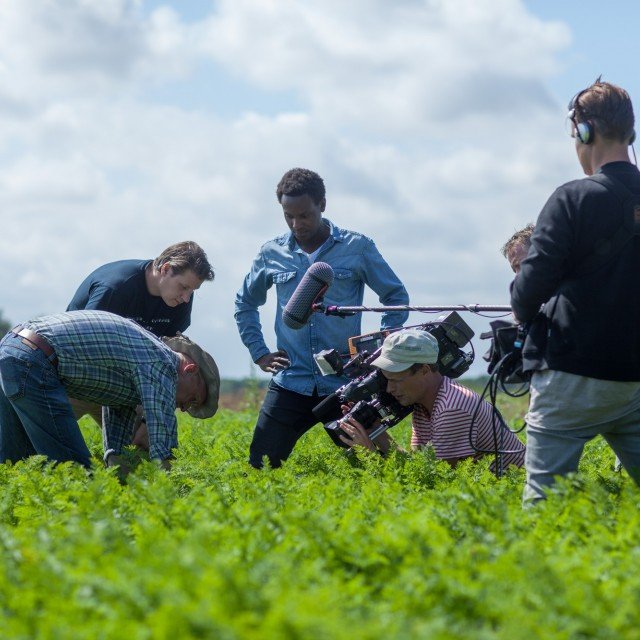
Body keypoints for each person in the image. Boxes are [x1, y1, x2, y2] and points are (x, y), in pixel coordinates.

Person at [511, 78, 640, 503]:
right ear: (632, 133)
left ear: (584, 132)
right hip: (636, 380)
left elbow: (527, 292)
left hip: (572, 375)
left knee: (543, 505)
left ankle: (539, 570)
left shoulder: (571, 198)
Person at [235, 167, 409, 468]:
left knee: (374, 467)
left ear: (322, 205)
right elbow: (245, 303)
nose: (296, 223)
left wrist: (384, 342)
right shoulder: (271, 253)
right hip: (292, 380)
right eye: (288, 216)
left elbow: (395, 296)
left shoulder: (357, 247)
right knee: (260, 466)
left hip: (344, 382)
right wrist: (259, 353)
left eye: (304, 215)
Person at [0, 310, 220, 473]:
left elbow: (117, 435)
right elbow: (164, 445)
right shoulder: (164, 364)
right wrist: (171, 490)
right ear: (190, 370)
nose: (182, 408)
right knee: (73, 472)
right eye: (191, 400)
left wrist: (117, 465)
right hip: (34, 359)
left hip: (14, 349)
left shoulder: (140, 366)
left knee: (14, 465)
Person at [67, 241, 215, 445]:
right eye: (184, 287)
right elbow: (81, 344)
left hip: (123, 389)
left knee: (144, 448)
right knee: (39, 451)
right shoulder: (115, 287)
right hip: (76, 377)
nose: (186, 298)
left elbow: (167, 365)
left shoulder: (179, 301)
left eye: (193, 291)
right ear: (165, 269)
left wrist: (147, 420)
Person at [338, 329, 525, 468]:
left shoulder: (451, 408)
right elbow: (418, 467)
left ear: (425, 370)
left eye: (396, 380)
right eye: (386, 380)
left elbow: (436, 485)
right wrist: (376, 431)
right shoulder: (423, 404)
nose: (389, 388)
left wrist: (369, 455)